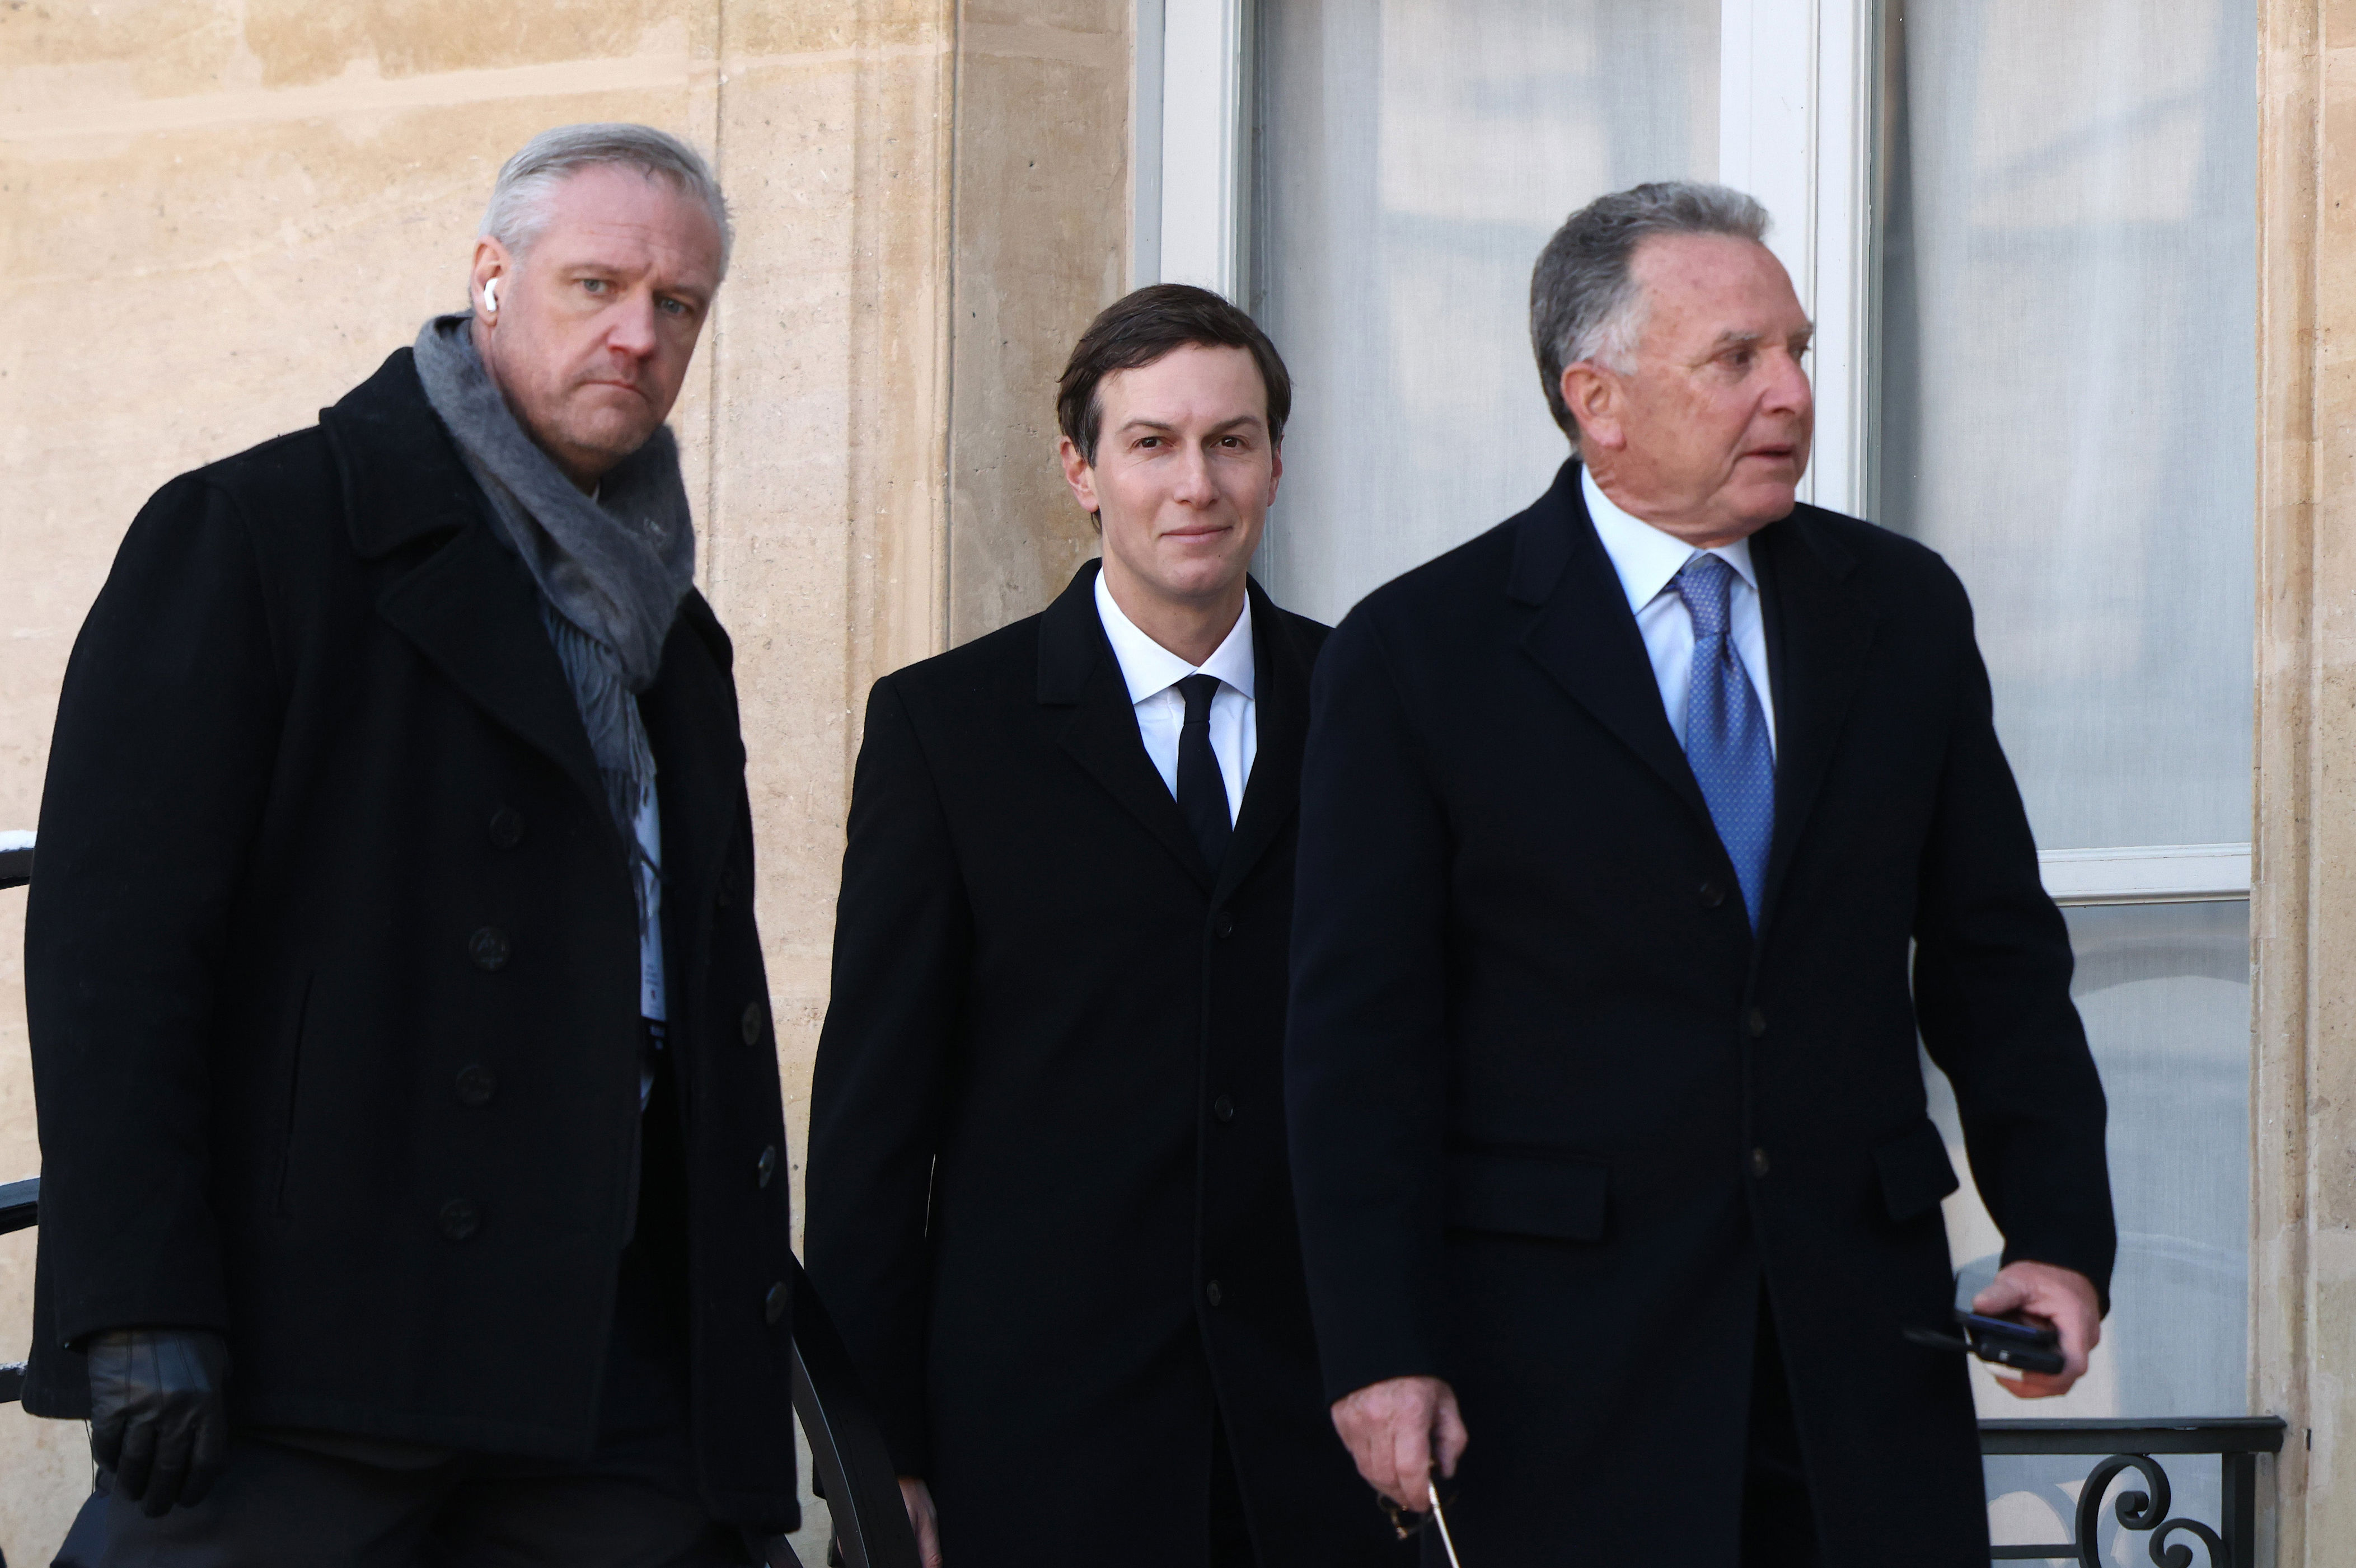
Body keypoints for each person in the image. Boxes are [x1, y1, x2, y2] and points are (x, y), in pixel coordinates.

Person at [1283, 181, 2118, 1566]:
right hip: (1562, 1380)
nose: (1788, 392)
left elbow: (1996, 959)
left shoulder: (1900, 612)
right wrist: (1378, 1349)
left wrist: (2059, 1235)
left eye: (1794, 351)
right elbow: (1356, 1042)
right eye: (1735, 360)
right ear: (1595, 399)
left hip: (1858, 1359)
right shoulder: (1419, 653)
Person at [25, 124, 799, 1562]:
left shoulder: (676, 632)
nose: (637, 334)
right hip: (317, 1347)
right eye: (596, 286)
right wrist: (137, 1300)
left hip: (606, 1355)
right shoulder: (257, 531)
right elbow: (113, 949)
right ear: (490, 279)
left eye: (677, 306)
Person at [805, 285, 1411, 1568]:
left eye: (1229, 441)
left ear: (1275, 462)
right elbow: (873, 1127)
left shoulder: (1373, 705)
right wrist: (878, 1452)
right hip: (1041, 1442)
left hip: (1326, 1439)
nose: (1195, 483)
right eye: (1151, 444)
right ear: (1081, 471)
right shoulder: (946, 731)